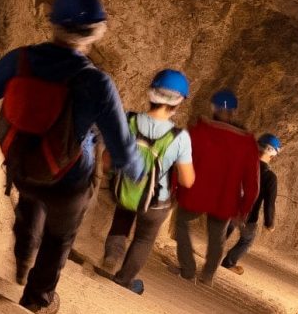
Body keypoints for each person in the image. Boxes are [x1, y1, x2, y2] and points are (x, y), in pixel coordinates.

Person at [0, 0, 143, 314]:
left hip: (21, 170)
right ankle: (37, 299)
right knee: (60, 235)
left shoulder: (20, 60)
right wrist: (136, 173)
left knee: (32, 196)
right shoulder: (96, 82)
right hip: (68, 181)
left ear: (52, 23)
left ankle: (23, 255)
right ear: (97, 32)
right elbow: (123, 150)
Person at [98, 68, 195, 295]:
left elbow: (107, 158)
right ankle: (124, 279)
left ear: (151, 93)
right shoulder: (180, 138)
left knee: (120, 222)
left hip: (127, 189)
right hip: (156, 201)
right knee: (143, 239)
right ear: (178, 103)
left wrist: (111, 175)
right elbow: (187, 180)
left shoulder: (129, 120)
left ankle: (112, 256)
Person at [179, 88, 263, 282]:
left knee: (181, 222)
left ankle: (188, 268)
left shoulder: (200, 131)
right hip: (226, 198)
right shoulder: (246, 142)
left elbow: (183, 159)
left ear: (213, 107)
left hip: (196, 193)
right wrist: (244, 208)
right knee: (217, 236)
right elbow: (252, 182)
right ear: (234, 111)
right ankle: (207, 275)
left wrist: (176, 188)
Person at [219, 133, 281, 271]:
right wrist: (269, 223)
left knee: (225, 229)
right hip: (248, 216)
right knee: (247, 239)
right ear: (273, 155)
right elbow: (269, 203)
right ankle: (229, 262)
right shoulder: (270, 177)